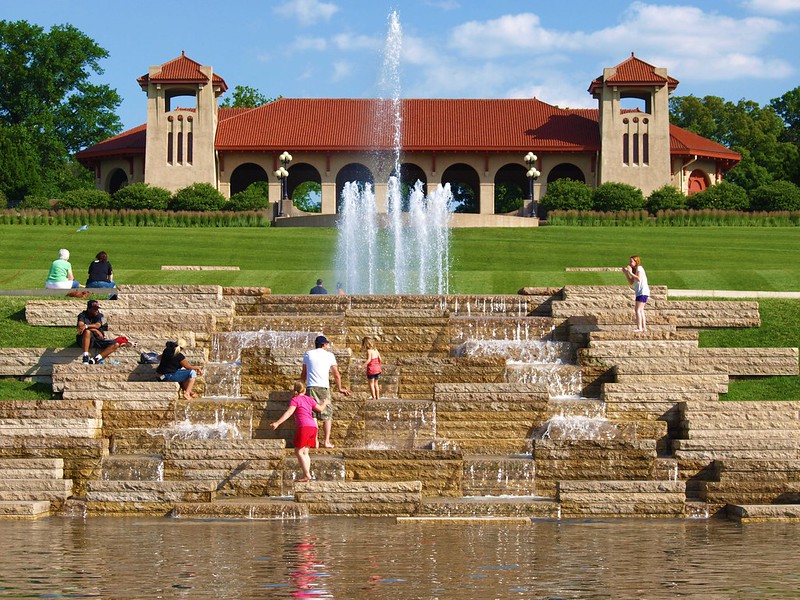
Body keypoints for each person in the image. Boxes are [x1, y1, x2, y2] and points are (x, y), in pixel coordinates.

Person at [270, 380, 329, 482]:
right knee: (305, 452)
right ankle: (307, 474)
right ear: (305, 390)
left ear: (295, 390)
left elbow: (289, 413)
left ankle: (307, 475)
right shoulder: (309, 399)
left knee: (298, 451)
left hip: (304, 427)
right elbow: (320, 409)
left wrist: (277, 423)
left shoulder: (295, 400)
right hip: (313, 427)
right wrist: (325, 403)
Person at [300, 335, 350, 448]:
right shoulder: (329, 355)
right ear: (323, 345)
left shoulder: (308, 354)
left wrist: (301, 389)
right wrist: (340, 388)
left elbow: (304, 373)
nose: (327, 345)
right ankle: (326, 441)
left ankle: (315, 441)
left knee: (313, 415)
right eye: (326, 344)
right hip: (323, 387)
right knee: (327, 415)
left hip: (310, 387)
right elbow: (336, 374)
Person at [76, 300, 120, 364]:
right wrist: (95, 330)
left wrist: (86, 326)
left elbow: (97, 325)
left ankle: (95, 359)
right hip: (83, 339)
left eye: (97, 309)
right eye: (94, 309)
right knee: (87, 332)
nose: (96, 310)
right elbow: (80, 326)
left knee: (116, 344)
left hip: (96, 339)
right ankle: (85, 357)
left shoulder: (99, 315)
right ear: (89, 309)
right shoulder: (82, 315)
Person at [622, 255, 650, 332]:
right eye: (630, 261)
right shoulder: (635, 270)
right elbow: (631, 282)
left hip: (642, 291)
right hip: (640, 292)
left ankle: (640, 328)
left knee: (637, 310)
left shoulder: (639, 268)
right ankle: (644, 328)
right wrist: (626, 274)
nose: (630, 263)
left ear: (636, 262)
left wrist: (630, 272)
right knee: (641, 310)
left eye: (631, 261)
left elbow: (638, 279)